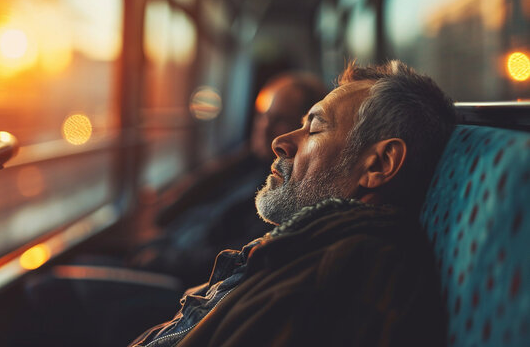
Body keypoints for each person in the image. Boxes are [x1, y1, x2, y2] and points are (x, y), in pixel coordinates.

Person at [130, 60, 455, 346]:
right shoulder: (306, 245)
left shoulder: (332, 279)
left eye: (313, 128)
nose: (279, 142)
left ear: (379, 165)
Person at [127, 72, 328, 287]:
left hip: (180, 283)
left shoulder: (283, 194)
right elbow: (172, 212)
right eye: (261, 115)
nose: (264, 127)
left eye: (279, 119)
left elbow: (234, 258)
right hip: (166, 253)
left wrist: (158, 258)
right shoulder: (244, 165)